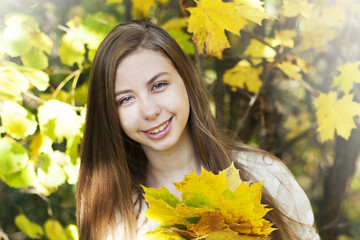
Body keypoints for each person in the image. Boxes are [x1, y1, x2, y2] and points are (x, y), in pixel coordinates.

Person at [76, 20, 320, 240]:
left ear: (186, 81)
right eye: (125, 99)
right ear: (110, 112)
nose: (149, 111)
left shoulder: (265, 176)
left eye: (159, 85)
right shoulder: (115, 218)